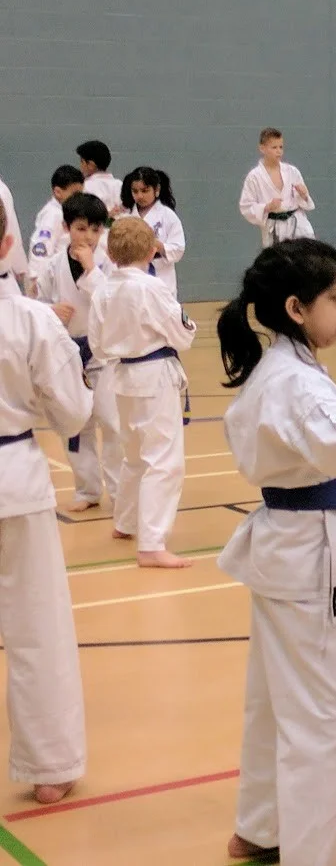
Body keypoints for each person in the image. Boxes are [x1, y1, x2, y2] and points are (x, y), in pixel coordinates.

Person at [216, 238, 336, 865]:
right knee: (328, 717)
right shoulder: (294, 382)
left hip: (285, 547)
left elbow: (335, 434)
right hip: (307, 555)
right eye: (333, 298)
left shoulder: (284, 368)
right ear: (296, 308)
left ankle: (261, 827)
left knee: (272, 700)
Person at [0, 204, 90, 806]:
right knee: (36, 630)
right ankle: (50, 766)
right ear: (7, 241)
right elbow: (74, 413)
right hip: (15, 480)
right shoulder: (29, 321)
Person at [87, 216, 196, 568]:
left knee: (134, 454)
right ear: (152, 251)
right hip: (153, 378)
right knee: (163, 460)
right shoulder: (151, 288)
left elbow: (97, 345)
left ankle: (125, 522)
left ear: (108, 251)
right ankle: (151, 543)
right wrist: (187, 324)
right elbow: (183, 335)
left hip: (121, 377)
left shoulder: (103, 289)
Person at [35, 193, 122, 512]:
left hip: (102, 355)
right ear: (66, 227)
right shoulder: (52, 266)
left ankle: (119, 492)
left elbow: (113, 303)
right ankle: (87, 490)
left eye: (95, 230)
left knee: (112, 423)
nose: (88, 237)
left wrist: (90, 270)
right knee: (75, 425)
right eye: (81, 228)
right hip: (67, 356)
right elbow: (37, 305)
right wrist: (50, 311)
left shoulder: (108, 263)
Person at [238, 127, 315, 246]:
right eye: (274, 147)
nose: (279, 151)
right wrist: (267, 207)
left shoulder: (292, 171)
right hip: (274, 229)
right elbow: (246, 207)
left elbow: (305, 202)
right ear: (262, 148)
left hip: (298, 225)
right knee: (277, 263)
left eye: (281, 147)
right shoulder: (254, 177)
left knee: (304, 261)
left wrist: (304, 195)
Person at [123, 166, 186, 297]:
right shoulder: (126, 216)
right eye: (135, 191)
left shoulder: (168, 216)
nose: (139, 196)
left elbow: (178, 248)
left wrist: (159, 246)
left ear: (156, 190)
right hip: (133, 277)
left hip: (161, 277)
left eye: (145, 191)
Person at [28, 166, 85, 286]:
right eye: (75, 194)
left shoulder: (65, 212)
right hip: (46, 281)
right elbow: (40, 248)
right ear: (58, 192)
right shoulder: (53, 215)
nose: (79, 198)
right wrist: (36, 279)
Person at [76, 140, 120, 221]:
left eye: (82, 161)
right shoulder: (120, 185)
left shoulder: (84, 187)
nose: (80, 166)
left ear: (91, 164)